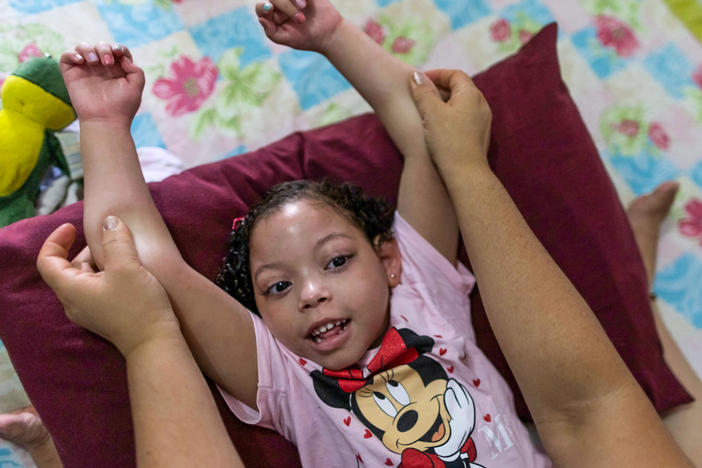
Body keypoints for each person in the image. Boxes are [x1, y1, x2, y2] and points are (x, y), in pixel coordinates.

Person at [33, 0, 693, 466]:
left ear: (389, 260)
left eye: (337, 261)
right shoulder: (283, 380)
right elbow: (140, 263)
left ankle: (638, 273)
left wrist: (332, 34)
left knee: (639, 371)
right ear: (258, 310)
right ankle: (639, 275)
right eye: (279, 286)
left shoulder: (423, 292)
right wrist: (103, 119)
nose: (312, 294)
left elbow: (427, 139)